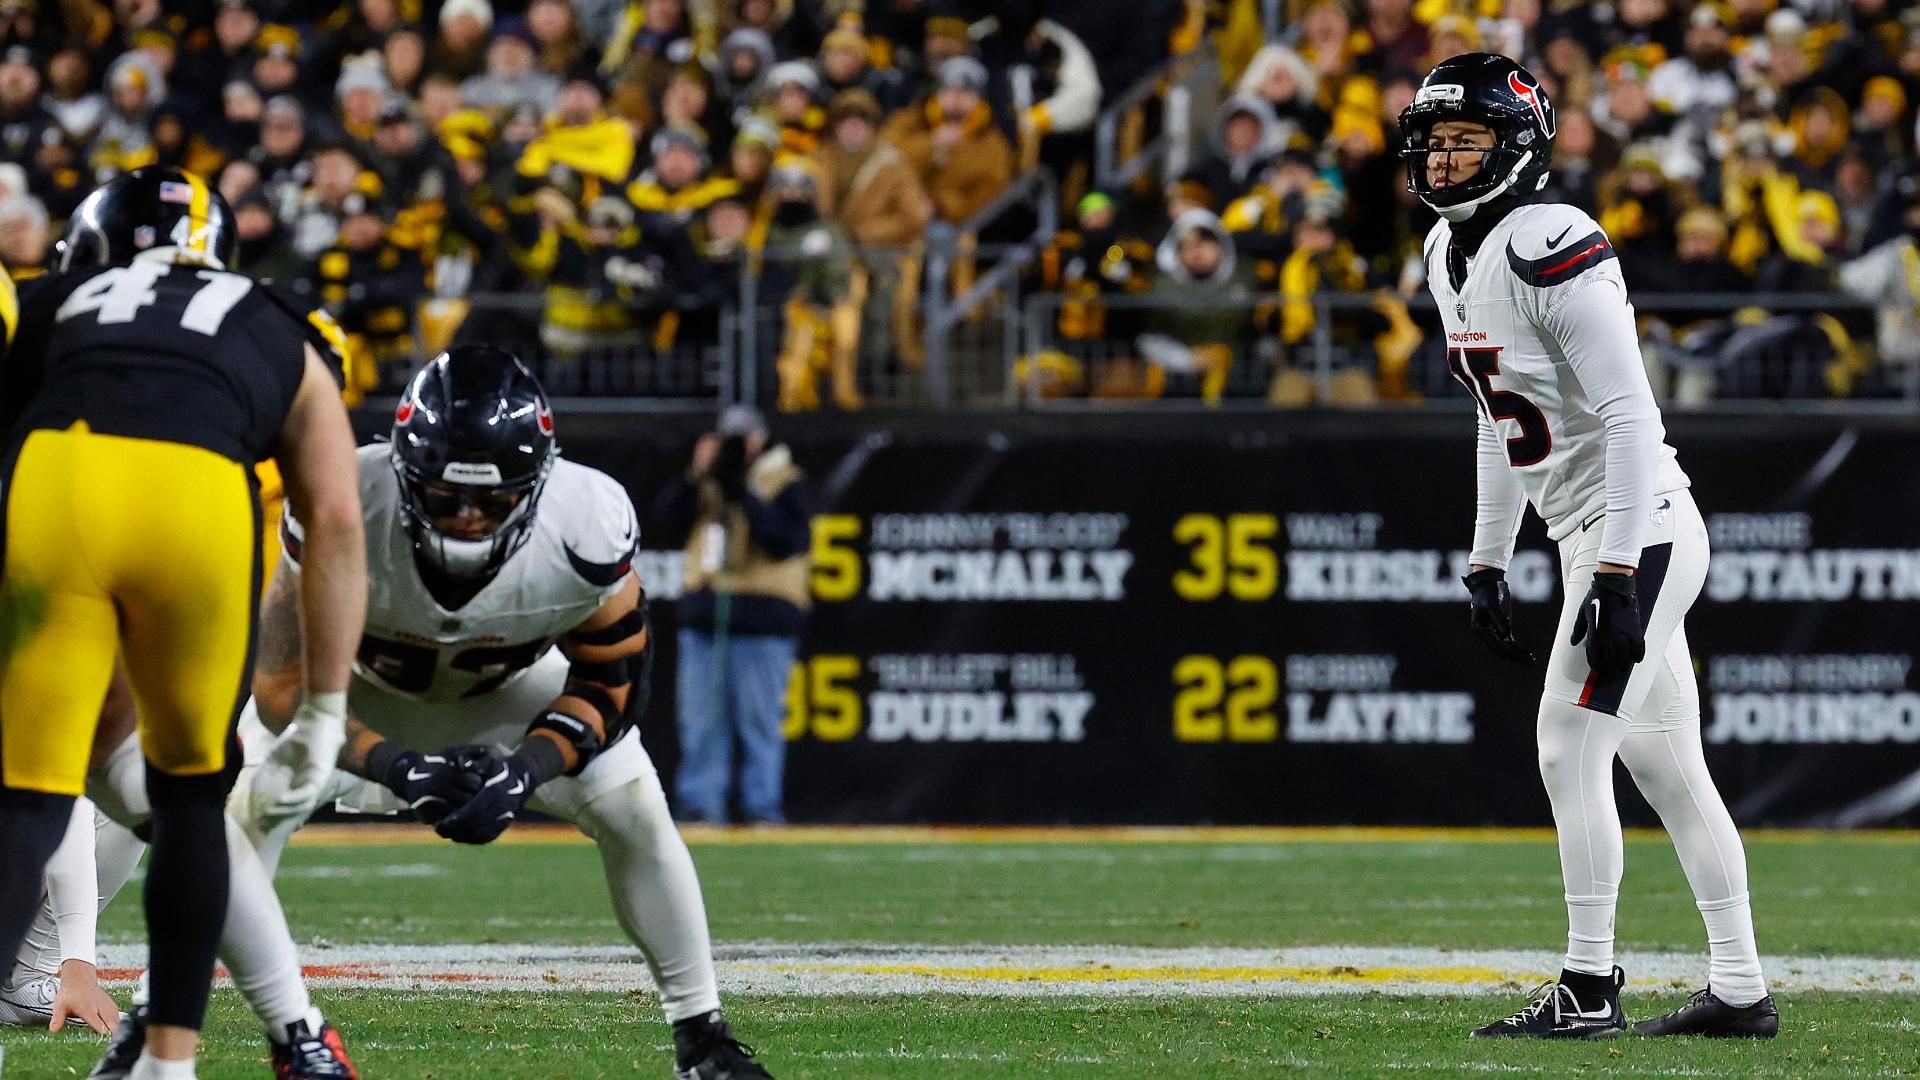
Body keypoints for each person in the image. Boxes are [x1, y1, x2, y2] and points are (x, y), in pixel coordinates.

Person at [224, 345, 775, 1080]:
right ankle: (171, 1015)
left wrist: (528, 769)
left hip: (509, 695)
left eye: (491, 501)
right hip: (352, 694)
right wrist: (396, 765)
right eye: (446, 496)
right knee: (233, 815)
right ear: (404, 473)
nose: (467, 519)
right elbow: (282, 689)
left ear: (538, 484)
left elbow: (612, 684)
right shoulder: (343, 497)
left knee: (635, 806)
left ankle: (702, 1038)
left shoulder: (584, 522)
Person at [1398, 55, 1777, 1039]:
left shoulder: (1550, 239)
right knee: (1666, 765)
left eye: (1467, 139)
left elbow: (1632, 416)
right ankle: (1740, 990)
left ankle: (1589, 983)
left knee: (1568, 744)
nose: (1443, 158)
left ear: (1518, 146)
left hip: (1638, 529)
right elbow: (1497, 415)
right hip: (1594, 534)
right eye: (1435, 139)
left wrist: (1615, 571)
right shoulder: (1446, 253)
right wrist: (1488, 557)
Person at [0, 166, 368, 1079]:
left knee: (31, 794)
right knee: (190, 800)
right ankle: (171, 1064)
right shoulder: (281, 320)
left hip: (63, 485)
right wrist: (326, 709)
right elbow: (334, 517)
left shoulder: (50, 300)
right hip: (200, 501)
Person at [654, 404, 810, 825]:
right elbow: (666, 522)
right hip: (708, 615)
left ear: (761, 440)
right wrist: (695, 476)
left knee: (760, 722)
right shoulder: (709, 482)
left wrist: (744, 494)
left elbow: (786, 541)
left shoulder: (784, 480)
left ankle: (762, 808)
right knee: (700, 722)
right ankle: (701, 806)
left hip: (762, 621)